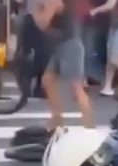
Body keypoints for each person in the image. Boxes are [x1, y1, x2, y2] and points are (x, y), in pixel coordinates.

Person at [33, 0, 95, 130]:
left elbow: (43, 24)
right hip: (61, 45)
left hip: (70, 45)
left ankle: (90, 128)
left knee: (76, 88)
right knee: (47, 79)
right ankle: (57, 120)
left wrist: (36, 11)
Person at [90, 0, 118, 96]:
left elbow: (110, 5)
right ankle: (108, 87)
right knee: (110, 60)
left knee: (114, 59)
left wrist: (95, 11)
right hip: (114, 26)